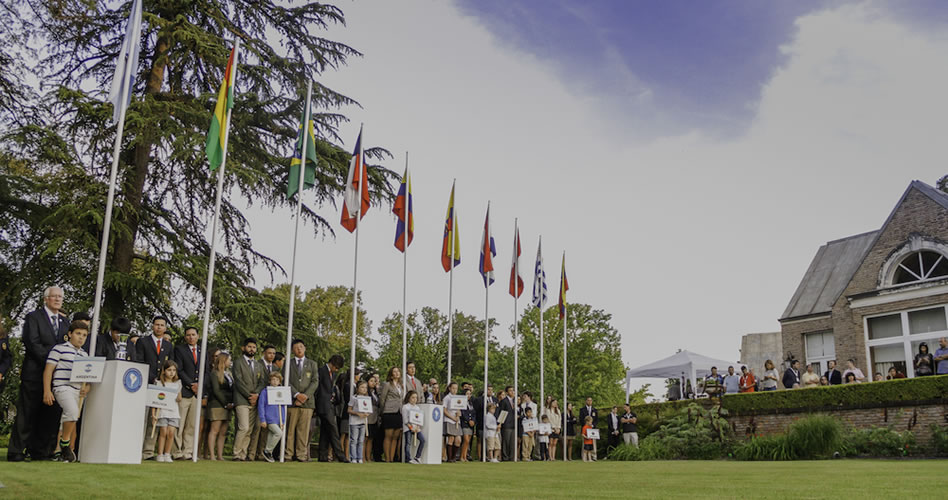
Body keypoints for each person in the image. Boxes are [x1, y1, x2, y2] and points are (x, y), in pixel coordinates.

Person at [9, 286, 70, 462]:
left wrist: (59, 366)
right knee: (27, 413)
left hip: (56, 378)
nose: (58, 299)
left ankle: (41, 451)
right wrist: (53, 361)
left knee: (49, 416)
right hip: (34, 373)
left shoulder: (66, 323)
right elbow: (32, 343)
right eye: (54, 297)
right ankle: (17, 451)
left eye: (60, 297)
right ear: (46, 299)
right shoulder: (33, 318)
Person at [42, 320, 90, 462]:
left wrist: (87, 388)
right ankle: (65, 444)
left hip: (77, 390)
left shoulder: (85, 355)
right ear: (70, 334)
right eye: (78, 334)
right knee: (72, 412)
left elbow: (89, 377)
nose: (81, 337)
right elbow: (48, 370)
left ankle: (58, 451)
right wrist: (47, 390)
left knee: (68, 419)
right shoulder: (59, 349)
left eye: (84, 335)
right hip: (62, 387)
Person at [138, 315, 174, 460]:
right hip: (146, 383)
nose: (159, 327)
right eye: (156, 324)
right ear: (152, 326)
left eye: (162, 325)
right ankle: (137, 448)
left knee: (154, 419)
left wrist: (163, 380)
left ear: (165, 328)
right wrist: (153, 377)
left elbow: (170, 364)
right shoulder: (143, 342)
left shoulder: (168, 345)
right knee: (143, 417)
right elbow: (140, 360)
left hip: (161, 386)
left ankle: (147, 452)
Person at [232, 337, 265, 461]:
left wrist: (256, 395)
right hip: (241, 399)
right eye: (249, 347)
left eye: (254, 347)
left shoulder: (258, 365)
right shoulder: (238, 362)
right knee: (244, 427)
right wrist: (249, 396)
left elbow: (262, 382)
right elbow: (238, 381)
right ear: (243, 348)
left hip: (255, 400)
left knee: (250, 429)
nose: (252, 349)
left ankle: (243, 454)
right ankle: (236, 453)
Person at [285, 339, 318, 462]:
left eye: (301, 346)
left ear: (305, 348)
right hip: (292, 402)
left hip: (307, 403)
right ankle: (288, 454)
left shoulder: (312, 364)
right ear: (293, 350)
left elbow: (315, 381)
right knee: (290, 430)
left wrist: (305, 396)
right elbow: (285, 380)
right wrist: (297, 394)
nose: (299, 349)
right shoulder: (288, 363)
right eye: (296, 347)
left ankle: (301, 455)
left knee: (303, 431)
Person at [172, 326, 201, 460]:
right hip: (184, 391)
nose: (191, 337)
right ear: (185, 337)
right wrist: (191, 385)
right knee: (180, 423)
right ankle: (176, 451)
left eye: (193, 335)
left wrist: (200, 385)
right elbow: (180, 369)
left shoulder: (202, 350)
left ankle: (188, 451)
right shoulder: (180, 349)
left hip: (197, 393)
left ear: (197, 336)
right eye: (188, 335)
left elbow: (206, 371)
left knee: (192, 424)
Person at [317, 354, 348, 463]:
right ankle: (340, 455)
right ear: (332, 364)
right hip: (322, 404)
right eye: (336, 367)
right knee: (334, 430)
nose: (337, 370)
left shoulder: (333, 374)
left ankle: (323, 455)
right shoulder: (321, 371)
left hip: (329, 404)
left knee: (325, 431)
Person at [153, 360, 182, 463]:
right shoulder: (159, 383)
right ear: (164, 371)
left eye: (174, 370)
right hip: (162, 411)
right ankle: (160, 454)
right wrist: (153, 415)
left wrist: (178, 397)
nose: (171, 372)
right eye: (169, 370)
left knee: (171, 433)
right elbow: (155, 400)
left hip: (173, 411)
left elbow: (179, 397)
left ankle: (167, 453)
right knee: (163, 432)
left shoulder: (177, 383)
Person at [208, 351, 234, 461]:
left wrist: (231, 403)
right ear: (224, 360)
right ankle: (212, 455)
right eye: (229, 360)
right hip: (217, 404)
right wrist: (225, 403)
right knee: (215, 430)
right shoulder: (215, 373)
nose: (230, 362)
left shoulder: (229, 374)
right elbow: (216, 390)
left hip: (228, 404)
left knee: (223, 432)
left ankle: (220, 455)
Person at [257, 371, 287, 463]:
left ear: (279, 381)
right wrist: (262, 419)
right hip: (269, 418)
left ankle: (268, 452)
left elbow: (283, 407)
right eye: (273, 379)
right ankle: (267, 451)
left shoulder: (281, 391)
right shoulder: (265, 391)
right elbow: (261, 405)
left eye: (277, 380)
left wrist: (283, 421)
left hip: (278, 418)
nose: (274, 382)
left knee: (272, 435)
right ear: (270, 381)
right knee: (278, 433)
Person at [378, 365, 404, 463]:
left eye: (398, 371)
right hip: (389, 412)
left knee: (395, 437)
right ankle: (387, 458)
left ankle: (392, 458)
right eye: (394, 371)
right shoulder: (387, 384)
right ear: (391, 374)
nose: (397, 373)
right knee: (388, 436)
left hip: (398, 412)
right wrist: (382, 411)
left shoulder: (401, 386)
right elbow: (382, 399)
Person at [347, 379, 371, 464]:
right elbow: (349, 410)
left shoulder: (367, 399)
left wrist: (367, 413)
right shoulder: (354, 398)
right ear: (357, 388)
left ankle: (360, 457)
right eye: (362, 387)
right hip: (354, 422)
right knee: (354, 440)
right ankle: (353, 457)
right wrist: (357, 413)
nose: (364, 389)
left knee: (361, 441)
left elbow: (368, 410)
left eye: (366, 387)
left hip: (363, 422)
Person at [401, 390, 426, 464]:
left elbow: (419, 420)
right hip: (408, 428)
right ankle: (408, 458)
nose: (414, 399)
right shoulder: (405, 407)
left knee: (423, 440)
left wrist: (417, 427)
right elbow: (405, 420)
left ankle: (417, 457)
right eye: (413, 398)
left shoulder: (417, 408)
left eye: (416, 398)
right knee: (408, 443)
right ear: (409, 398)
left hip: (416, 428)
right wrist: (411, 428)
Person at [473, 384, 495, 461]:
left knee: (491, 442)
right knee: (480, 440)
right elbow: (475, 411)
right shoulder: (479, 400)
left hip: (493, 425)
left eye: (491, 390)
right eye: (488, 389)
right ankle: (480, 457)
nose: (490, 391)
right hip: (481, 423)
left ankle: (490, 457)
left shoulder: (495, 400)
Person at [442, 381, 462, 462]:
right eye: (453, 388)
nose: (454, 390)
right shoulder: (447, 398)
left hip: (457, 421)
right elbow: (444, 410)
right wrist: (452, 418)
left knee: (458, 440)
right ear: (449, 388)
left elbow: (459, 409)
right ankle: (450, 458)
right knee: (451, 438)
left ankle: (454, 457)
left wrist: (459, 413)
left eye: (456, 389)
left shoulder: (457, 398)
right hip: (449, 420)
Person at [365, 372, 381, 462]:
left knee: (371, 438)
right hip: (367, 417)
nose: (373, 383)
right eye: (371, 381)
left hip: (374, 417)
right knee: (365, 438)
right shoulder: (366, 392)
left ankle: (368, 457)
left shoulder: (375, 393)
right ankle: (363, 456)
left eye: (374, 381)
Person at [498, 385, 516, 461]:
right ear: (507, 392)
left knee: (512, 442)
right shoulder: (504, 401)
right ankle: (505, 457)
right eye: (510, 391)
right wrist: (500, 423)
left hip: (513, 424)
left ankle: (512, 457)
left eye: (513, 390)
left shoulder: (515, 401)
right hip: (506, 424)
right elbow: (502, 413)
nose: (512, 392)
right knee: (506, 442)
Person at [460, 388, 475, 462]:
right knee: (465, 440)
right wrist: (468, 420)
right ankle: (462, 456)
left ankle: (465, 456)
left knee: (468, 441)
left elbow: (473, 413)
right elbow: (463, 413)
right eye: (467, 394)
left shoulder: (471, 403)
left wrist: (473, 421)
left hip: (471, 425)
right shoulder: (462, 403)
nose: (469, 395)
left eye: (470, 394)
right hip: (465, 423)